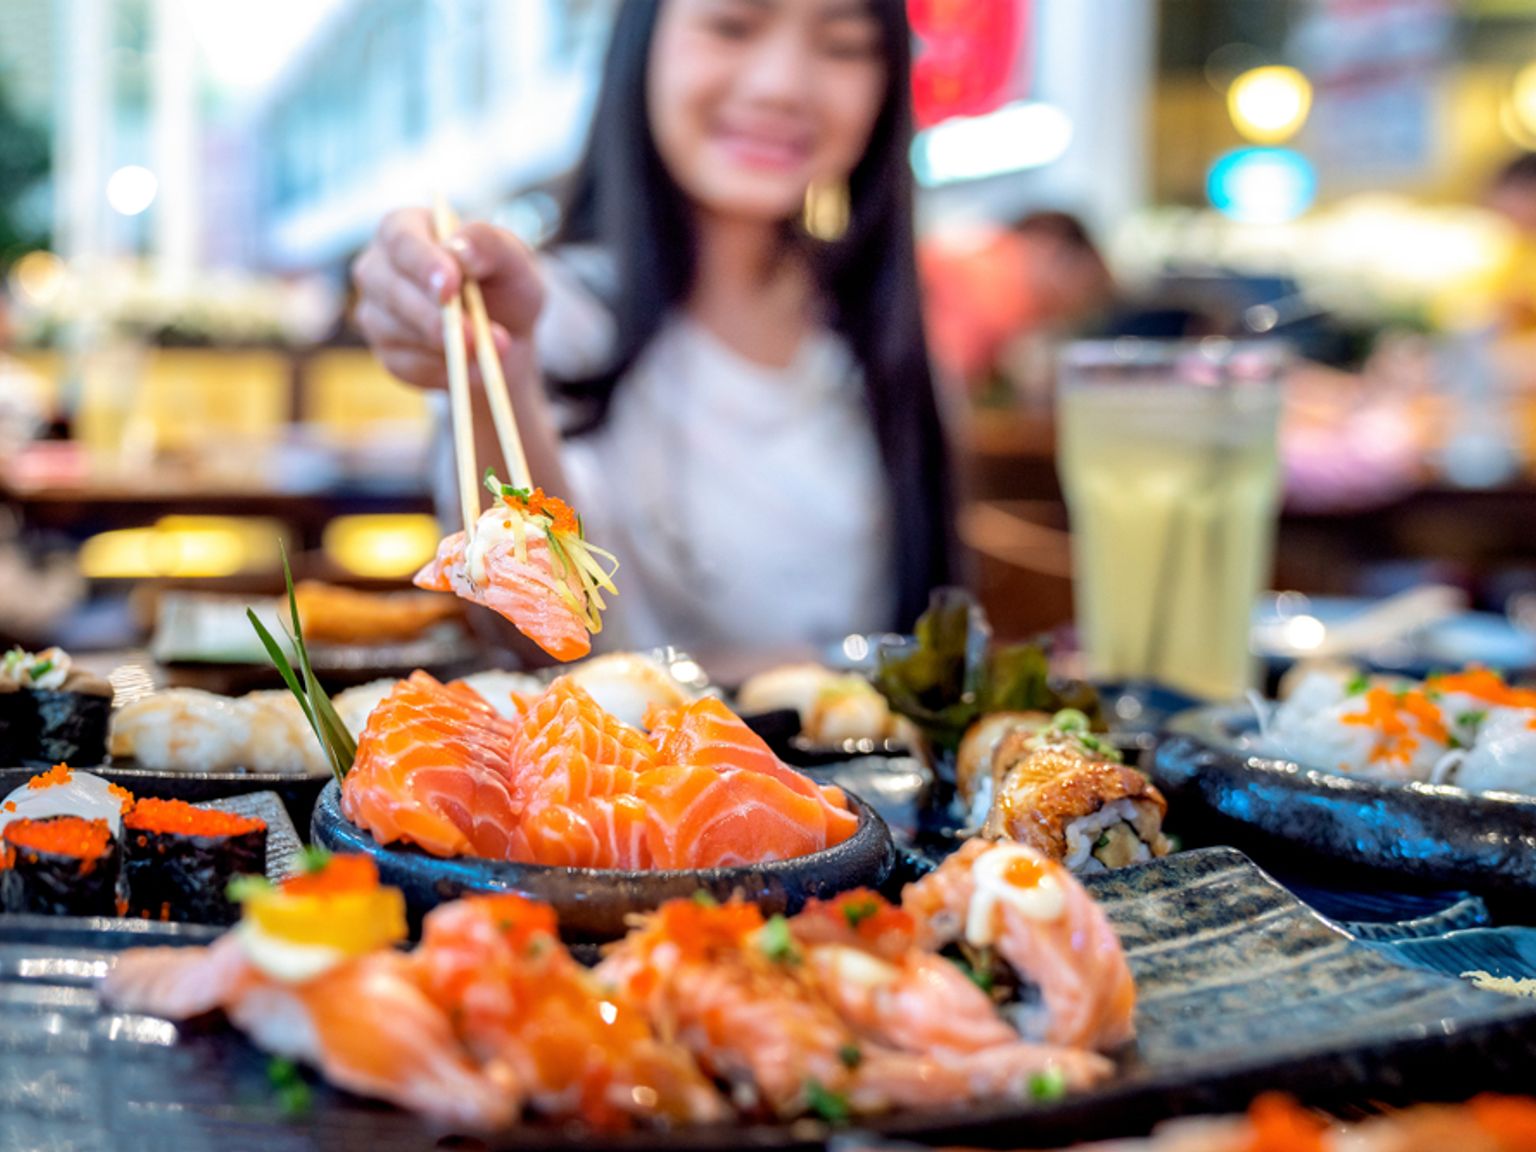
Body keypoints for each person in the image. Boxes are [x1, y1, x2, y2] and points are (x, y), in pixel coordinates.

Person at [351, 0, 952, 661]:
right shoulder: (538, 310)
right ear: (641, 43)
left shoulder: (872, 331)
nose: (782, 83)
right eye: (732, 26)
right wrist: (500, 374)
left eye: (843, 45)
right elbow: (536, 632)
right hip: (618, 761)